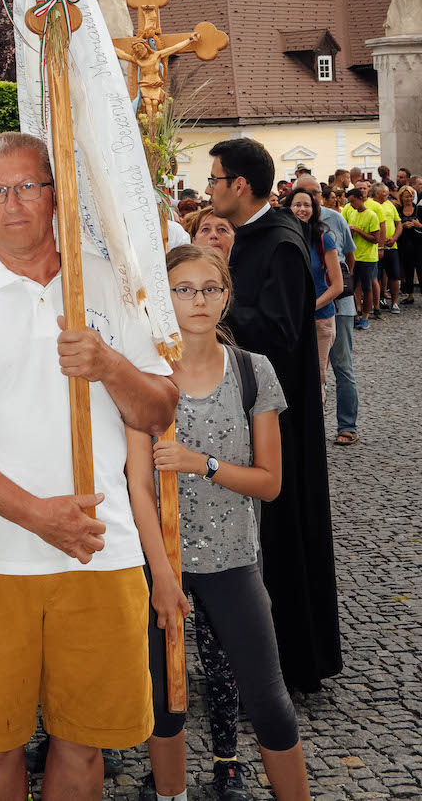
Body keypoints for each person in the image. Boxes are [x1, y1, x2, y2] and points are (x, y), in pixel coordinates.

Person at [0, 132, 178, 800]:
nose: (16, 203)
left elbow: (158, 409)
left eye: (29, 185)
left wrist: (109, 364)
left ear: (55, 194)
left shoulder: (112, 287)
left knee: (84, 748)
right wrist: (37, 515)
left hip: (99, 550)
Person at [129, 245, 310, 801]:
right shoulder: (145, 377)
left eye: (210, 288)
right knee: (165, 704)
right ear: (165, 300)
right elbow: (137, 484)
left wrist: (199, 464)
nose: (198, 300)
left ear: (227, 295)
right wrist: (161, 575)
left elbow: (270, 482)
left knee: (270, 702)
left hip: (233, 561)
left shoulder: (254, 373)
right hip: (162, 567)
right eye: (183, 289)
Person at [207, 138, 341, 693]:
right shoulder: (253, 236)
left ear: (240, 185)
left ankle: (289, 661)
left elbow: (283, 332)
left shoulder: (281, 240)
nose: (211, 188)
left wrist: (216, 307)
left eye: (215, 179)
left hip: (278, 419)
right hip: (256, 410)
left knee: (283, 537)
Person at [293, 177, 359, 444]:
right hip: (306, 309)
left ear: (321, 195)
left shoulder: (334, 220)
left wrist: (334, 294)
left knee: (342, 366)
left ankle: (347, 426)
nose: (307, 201)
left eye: (314, 194)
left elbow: (350, 258)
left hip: (337, 305)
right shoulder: (288, 225)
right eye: (302, 196)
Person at [281, 188, 343, 396]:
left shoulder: (324, 239)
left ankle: (315, 428)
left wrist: (309, 308)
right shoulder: (282, 238)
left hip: (319, 320)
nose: (302, 209)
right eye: (297, 205)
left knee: (316, 382)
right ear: (288, 208)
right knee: (290, 379)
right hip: (289, 321)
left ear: (314, 209)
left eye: (307, 205)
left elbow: (337, 286)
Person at [342, 187, 381, 331]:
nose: (351, 205)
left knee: (367, 287)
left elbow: (375, 239)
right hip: (355, 256)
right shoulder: (352, 214)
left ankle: (365, 317)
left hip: (368, 257)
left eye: (353, 201)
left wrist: (358, 230)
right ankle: (356, 316)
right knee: (351, 287)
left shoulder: (372, 215)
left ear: (360, 198)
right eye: (349, 202)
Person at [373, 182, 403, 312]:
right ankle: (378, 301)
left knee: (394, 274)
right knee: (377, 275)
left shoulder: (390, 205)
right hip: (375, 247)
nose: (387, 194)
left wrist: (394, 238)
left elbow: (399, 224)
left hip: (392, 245)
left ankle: (395, 302)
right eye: (384, 192)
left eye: (387, 191)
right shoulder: (371, 205)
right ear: (377, 193)